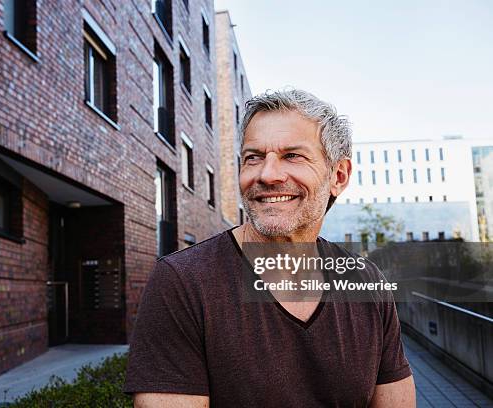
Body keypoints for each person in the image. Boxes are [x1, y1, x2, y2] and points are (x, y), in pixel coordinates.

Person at [124, 88, 416, 407]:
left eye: (292, 155)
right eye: (254, 158)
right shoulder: (182, 282)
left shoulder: (366, 283)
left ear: (339, 175)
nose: (268, 174)